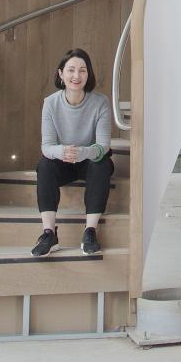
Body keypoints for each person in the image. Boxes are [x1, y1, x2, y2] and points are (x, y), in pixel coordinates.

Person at [32, 48, 114, 257]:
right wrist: (61, 152)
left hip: (88, 160)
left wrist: (84, 152)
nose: (76, 76)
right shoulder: (50, 103)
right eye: (71, 70)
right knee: (44, 165)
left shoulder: (100, 102)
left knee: (102, 163)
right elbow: (47, 145)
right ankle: (49, 233)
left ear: (89, 74)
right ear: (61, 74)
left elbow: (103, 144)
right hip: (63, 161)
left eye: (82, 70)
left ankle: (90, 231)